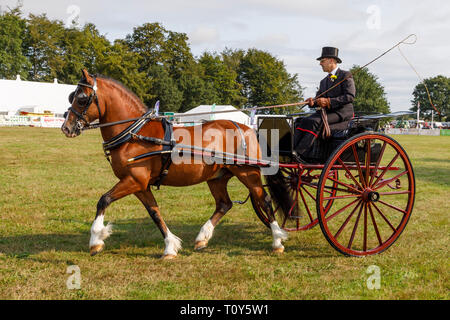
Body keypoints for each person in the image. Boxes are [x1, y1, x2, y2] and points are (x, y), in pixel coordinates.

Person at [293, 47, 355, 162]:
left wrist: (329, 101)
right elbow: (318, 99)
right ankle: (292, 150)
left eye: (322, 61)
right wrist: (312, 102)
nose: (320, 64)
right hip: (327, 113)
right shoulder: (323, 81)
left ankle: (302, 153)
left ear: (331, 60)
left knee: (314, 121)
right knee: (300, 121)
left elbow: (350, 96)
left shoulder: (345, 75)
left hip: (342, 113)